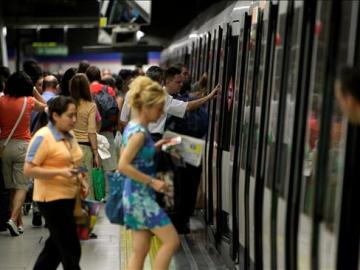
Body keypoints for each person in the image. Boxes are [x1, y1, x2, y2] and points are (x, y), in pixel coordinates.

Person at [118, 76, 180, 269]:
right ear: (146, 107)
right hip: (141, 197)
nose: (162, 113)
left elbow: (135, 158)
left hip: (134, 196)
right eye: (159, 108)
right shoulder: (139, 133)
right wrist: (152, 182)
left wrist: (156, 147)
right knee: (171, 242)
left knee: (140, 250)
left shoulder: (134, 127)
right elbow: (123, 165)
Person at [24, 96, 89, 270]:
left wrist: (82, 179)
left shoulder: (69, 135)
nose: (74, 120)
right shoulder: (43, 137)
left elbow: (74, 162)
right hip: (51, 200)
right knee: (71, 248)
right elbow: (29, 170)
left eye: (75, 115)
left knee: (53, 249)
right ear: (55, 116)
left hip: (70, 196)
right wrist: (59, 172)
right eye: (70, 115)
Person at [0, 71, 46, 236]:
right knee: (22, 186)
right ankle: (13, 219)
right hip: (23, 147)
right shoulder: (29, 101)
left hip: (4, 147)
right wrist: (34, 90)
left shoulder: (1, 101)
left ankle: (18, 223)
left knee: (11, 186)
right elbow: (46, 106)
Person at [120, 65, 220, 141]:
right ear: (160, 81)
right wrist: (208, 97)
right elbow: (187, 107)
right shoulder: (161, 95)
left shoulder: (131, 93)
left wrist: (129, 137)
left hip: (133, 135)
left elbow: (123, 120)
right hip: (153, 138)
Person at [70, 73, 100, 199]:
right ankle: (87, 214)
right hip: (85, 149)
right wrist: (95, 152)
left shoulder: (68, 104)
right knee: (86, 182)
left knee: (72, 182)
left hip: (69, 147)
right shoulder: (91, 105)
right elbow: (91, 131)